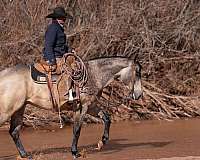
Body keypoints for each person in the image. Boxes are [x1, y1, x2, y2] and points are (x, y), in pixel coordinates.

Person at [43, 6, 72, 71]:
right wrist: (52, 60)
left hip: (60, 56)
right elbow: (48, 45)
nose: (64, 19)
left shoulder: (58, 28)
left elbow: (60, 45)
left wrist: (70, 51)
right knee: (68, 72)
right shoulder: (53, 28)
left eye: (63, 17)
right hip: (55, 58)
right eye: (62, 17)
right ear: (56, 18)